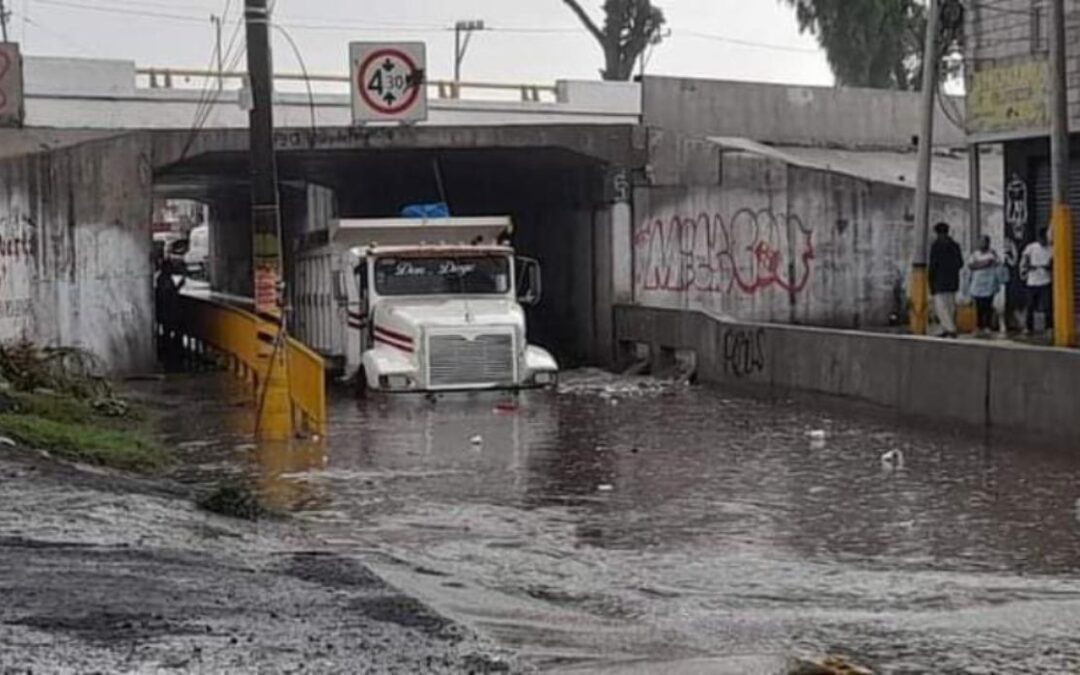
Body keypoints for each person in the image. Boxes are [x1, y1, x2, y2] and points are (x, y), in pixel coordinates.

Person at [928, 221, 964, 338]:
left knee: (941, 306)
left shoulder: (936, 246)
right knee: (950, 305)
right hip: (953, 280)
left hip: (939, 280)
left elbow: (933, 265)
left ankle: (950, 328)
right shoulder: (955, 245)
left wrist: (931, 282)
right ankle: (947, 327)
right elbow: (960, 263)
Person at [967, 235, 1002, 336]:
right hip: (977, 283)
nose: (982, 244)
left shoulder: (992, 253)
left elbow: (997, 263)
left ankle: (988, 325)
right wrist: (984, 263)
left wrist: (980, 264)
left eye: (984, 242)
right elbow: (971, 265)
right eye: (980, 242)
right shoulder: (975, 254)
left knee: (987, 305)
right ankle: (979, 325)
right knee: (979, 306)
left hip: (989, 283)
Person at [1021, 228, 1053, 335]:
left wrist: (1047, 266)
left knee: (1047, 306)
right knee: (1030, 305)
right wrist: (1029, 267)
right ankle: (1028, 327)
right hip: (1032, 281)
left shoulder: (1051, 249)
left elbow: (1052, 263)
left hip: (1045, 280)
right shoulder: (1031, 248)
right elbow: (1025, 261)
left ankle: (1049, 326)